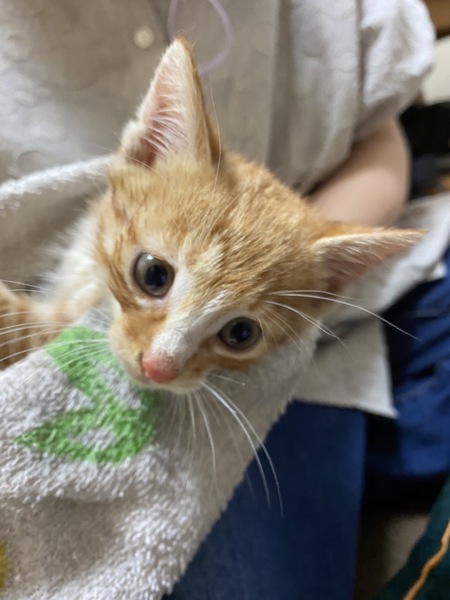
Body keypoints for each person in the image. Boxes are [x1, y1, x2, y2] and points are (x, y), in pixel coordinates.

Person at [0, 1, 447, 599]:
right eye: (154, 276)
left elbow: (383, 133)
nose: (161, 362)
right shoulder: (142, 194)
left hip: (311, 374)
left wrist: (301, 264)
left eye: (238, 333)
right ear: (147, 151)